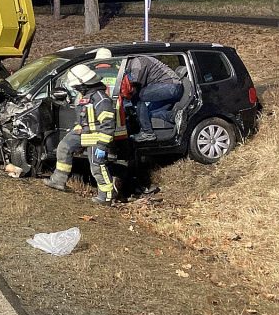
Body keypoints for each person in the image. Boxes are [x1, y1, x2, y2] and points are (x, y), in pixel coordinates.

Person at [44, 63, 117, 204]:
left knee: (97, 166)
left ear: (84, 83)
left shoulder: (101, 99)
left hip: (97, 137)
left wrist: (102, 146)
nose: (75, 89)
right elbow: (84, 117)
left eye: (77, 86)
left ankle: (106, 197)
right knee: (64, 147)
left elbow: (108, 125)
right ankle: (58, 180)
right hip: (83, 133)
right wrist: (78, 126)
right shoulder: (86, 96)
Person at [125, 54, 183, 142]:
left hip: (170, 85)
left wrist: (126, 97)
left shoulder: (136, 63)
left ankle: (148, 133)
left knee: (138, 97)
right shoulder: (136, 62)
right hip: (171, 87)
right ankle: (174, 116)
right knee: (149, 113)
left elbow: (136, 87)